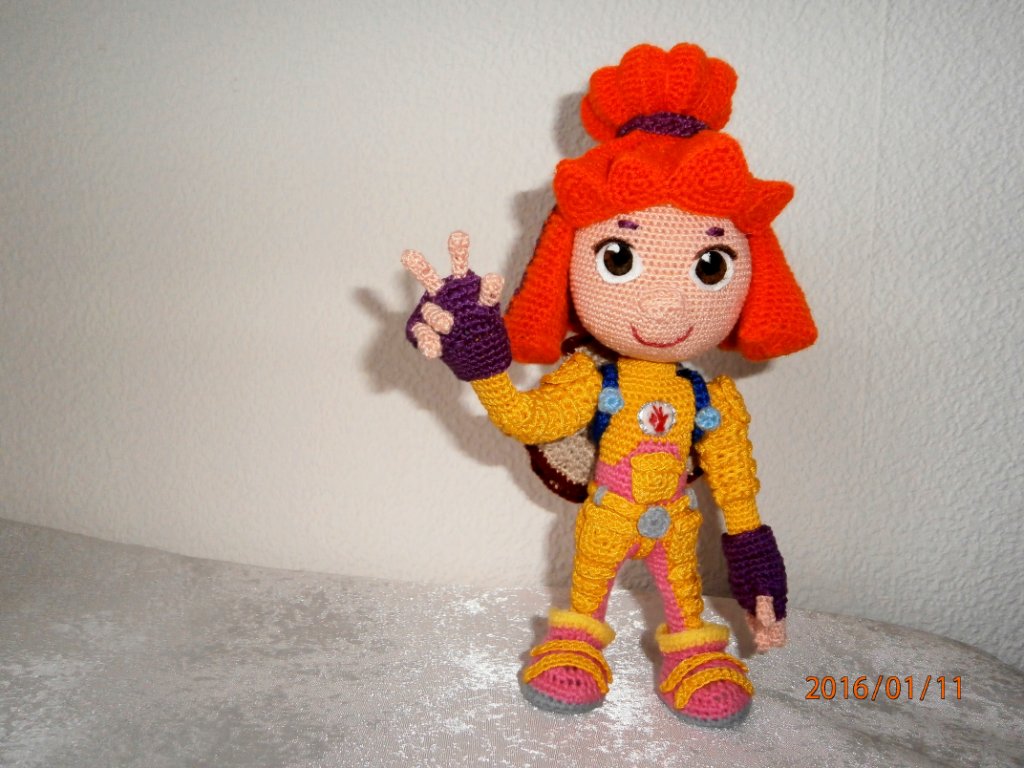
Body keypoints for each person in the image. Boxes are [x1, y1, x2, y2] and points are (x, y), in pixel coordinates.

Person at [402, 42, 816, 726]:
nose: (664, 305)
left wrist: (755, 563)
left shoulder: (713, 400)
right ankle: (575, 643)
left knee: (685, 594)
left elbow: (737, 492)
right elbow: (529, 420)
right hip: (608, 514)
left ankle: (693, 655)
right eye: (619, 258)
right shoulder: (589, 378)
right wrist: (485, 367)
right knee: (587, 590)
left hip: (676, 523)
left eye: (709, 266)